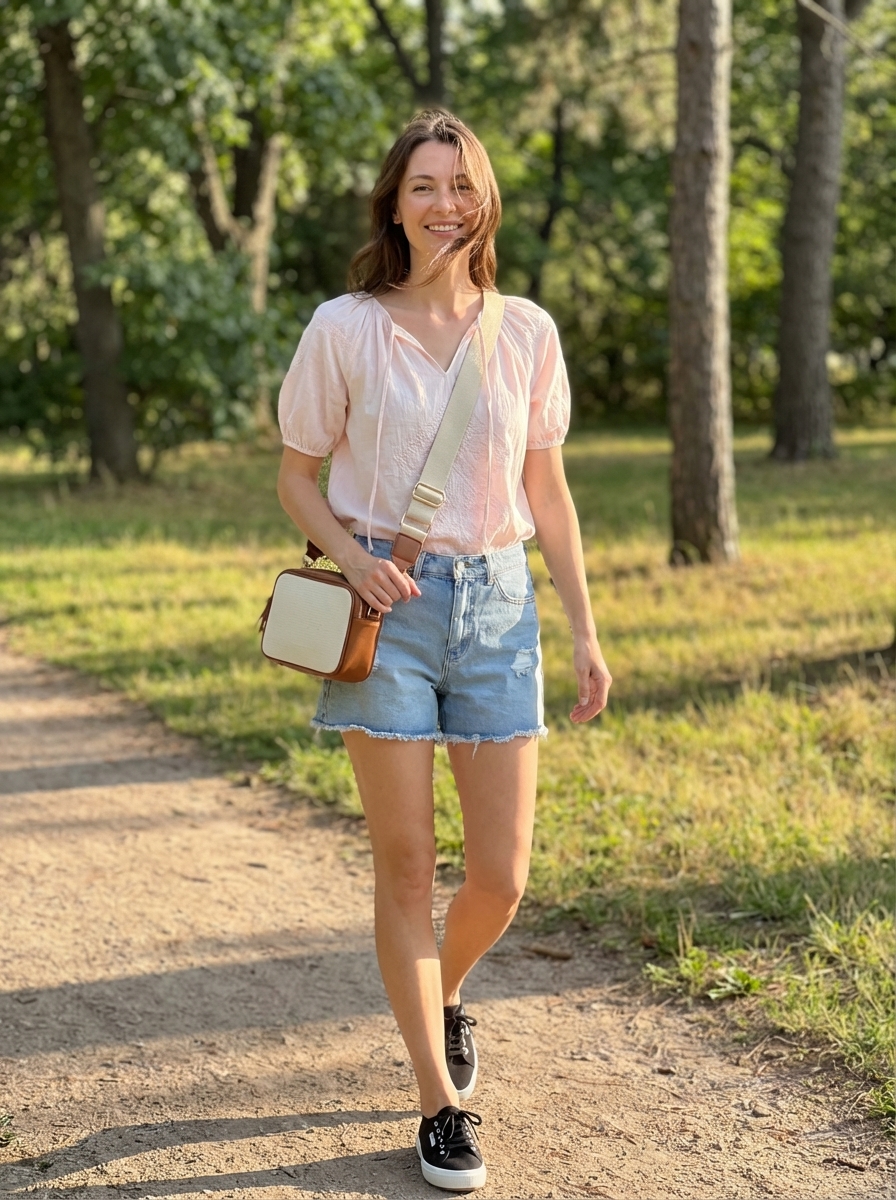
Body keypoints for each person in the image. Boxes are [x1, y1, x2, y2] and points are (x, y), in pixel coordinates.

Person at [276, 110, 612, 1192]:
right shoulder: (343, 326)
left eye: (460, 185)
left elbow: (545, 493)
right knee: (408, 865)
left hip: (499, 607)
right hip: (389, 609)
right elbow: (296, 474)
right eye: (422, 186)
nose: (443, 205)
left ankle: (441, 992)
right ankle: (437, 1103)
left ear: (484, 200)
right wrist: (349, 552)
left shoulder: (524, 331)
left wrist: (584, 627)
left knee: (502, 879)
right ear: (394, 203)